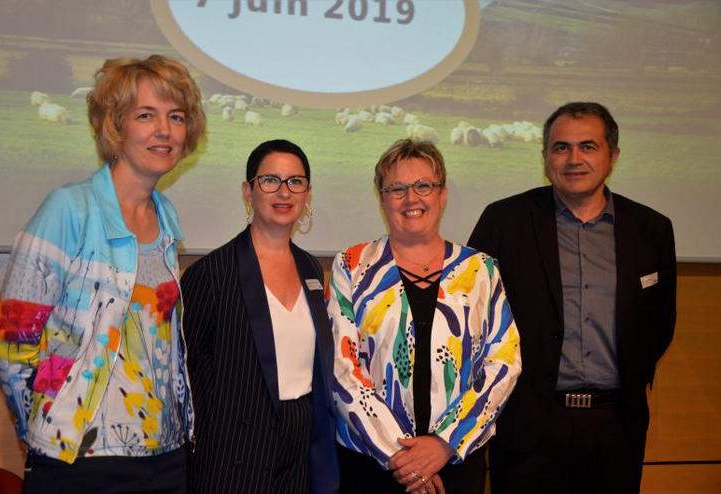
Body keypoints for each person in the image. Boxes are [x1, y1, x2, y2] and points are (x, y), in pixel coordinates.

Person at [0, 55, 206, 493]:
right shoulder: (68, 210)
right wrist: (47, 420)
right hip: (79, 460)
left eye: (176, 116)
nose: (164, 130)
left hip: (166, 457)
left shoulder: (167, 219)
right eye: (146, 115)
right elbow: (12, 343)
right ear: (115, 126)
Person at [468, 102, 677, 494]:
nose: (573, 159)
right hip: (528, 424)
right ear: (545, 157)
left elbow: (659, 322)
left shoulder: (651, 229)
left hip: (616, 425)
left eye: (588, 146)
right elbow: (473, 319)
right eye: (561, 147)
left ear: (612, 155)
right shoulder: (504, 221)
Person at [328, 138, 520, 494]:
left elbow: (503, 363)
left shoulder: (481, 270)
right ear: (382, 198)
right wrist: (401, 457)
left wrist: (445, 443)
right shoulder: (352, 266)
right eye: (397, 188)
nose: (411, 198)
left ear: (442, 194)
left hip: (455, 464)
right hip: (372, 465)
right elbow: (342, 366)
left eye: (423, 186)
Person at [181, 139, 339, 494]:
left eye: (295, 182)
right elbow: (187, 376)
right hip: (231, 455)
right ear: (248, 191)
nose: (284, 192)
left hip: (299, 450)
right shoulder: (210, 274)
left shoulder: (311, 269)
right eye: (270, 180)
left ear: (307, 193)